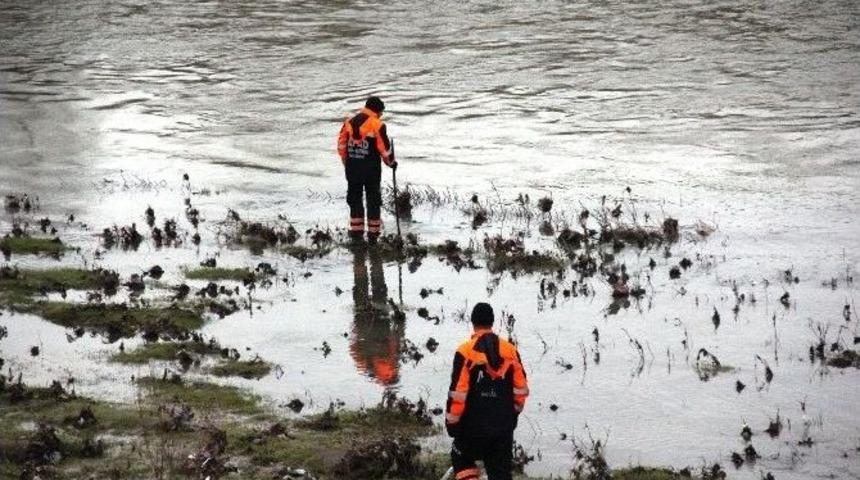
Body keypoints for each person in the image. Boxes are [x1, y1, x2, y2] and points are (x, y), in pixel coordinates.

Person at [445, 303, 529, 480]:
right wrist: (511, 416)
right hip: (502, 430)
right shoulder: (511, 351)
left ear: (472, 322)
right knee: (500, 473)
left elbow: (458, 395)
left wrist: (452, 425)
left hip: (471, 429)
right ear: (492, 322)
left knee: (461, 458)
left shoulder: (465, 351)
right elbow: (521, 391)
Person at [337, 96, 396, 243]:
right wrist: (391, 163)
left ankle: (356, 233)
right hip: (371, 171)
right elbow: (384, 150)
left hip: (352, 169)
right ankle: (373, 235)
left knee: (354, 199)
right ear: (377, 110)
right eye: (381, 112)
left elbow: (341, 146)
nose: (381, 115)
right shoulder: (377, 125)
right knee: (373, 200)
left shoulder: (348, 122)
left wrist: (346, 162)